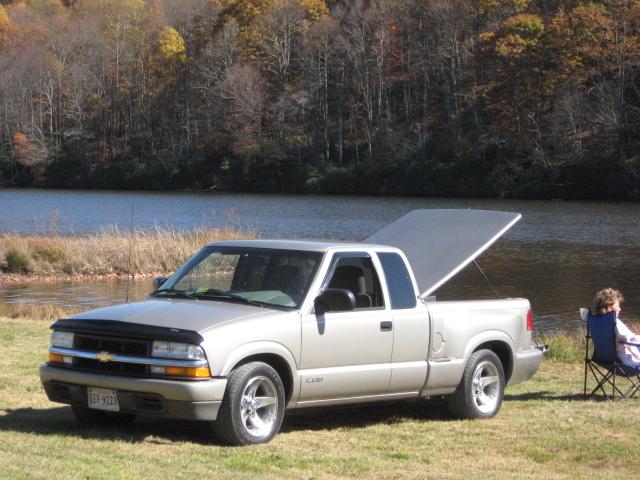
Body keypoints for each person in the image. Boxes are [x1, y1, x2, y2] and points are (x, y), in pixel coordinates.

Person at [592, 288, 640, 368]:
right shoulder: (615, 323)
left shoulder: (596, 322)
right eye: (617, 306)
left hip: (603, 360)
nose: (620, 309)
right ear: (609, 308)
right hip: (624, 363)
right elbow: (632, 339)